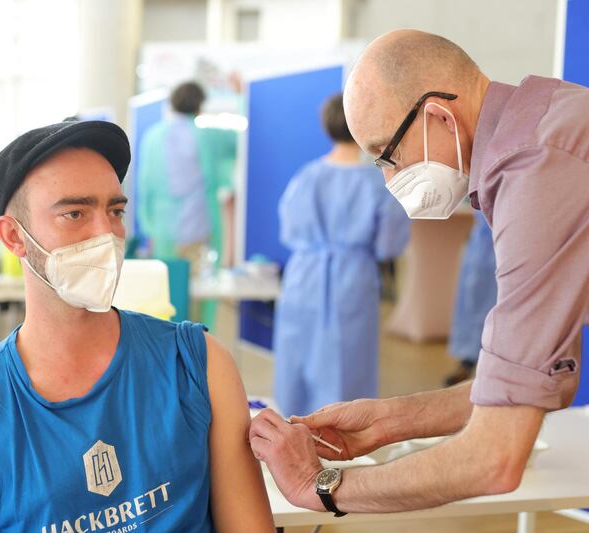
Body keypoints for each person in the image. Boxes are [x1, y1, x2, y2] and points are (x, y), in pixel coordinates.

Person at [250, 29, 587, 516]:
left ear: (437, 116)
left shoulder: (536, 171)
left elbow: (494, 456)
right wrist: (392, 420)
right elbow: (532, 383)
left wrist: (319, 486)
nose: (389, 180)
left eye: (390, 154)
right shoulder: (547, 120)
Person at [0, 120, 274, 532]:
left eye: (115, 211)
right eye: (74, 213)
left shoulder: (195, 364)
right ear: (14, 237)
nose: (105, 234)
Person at [273, 93, 409, 418]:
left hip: (302, 277)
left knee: (297, 359)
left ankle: (292, 434)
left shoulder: (305, 177)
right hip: (353, 276)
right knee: (347, 363)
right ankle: (341, 441)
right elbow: (389, 245)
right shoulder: (377, 182)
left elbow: (288, 230)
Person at [137, 81, 237, 324]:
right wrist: (240, 95)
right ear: (200, 106)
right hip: (199, 233)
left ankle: (169, 357)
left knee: (166, 301)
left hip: (163, 235)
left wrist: (149, 228)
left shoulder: (152, 137)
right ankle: (197, 355)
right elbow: (241, 141)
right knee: (200, 306)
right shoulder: (207, 136)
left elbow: (144, 189)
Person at [444, 211, 497, 386]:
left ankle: (492, 371)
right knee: (472, 308)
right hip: (481, 246)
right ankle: (467, 363)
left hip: (506, 246)